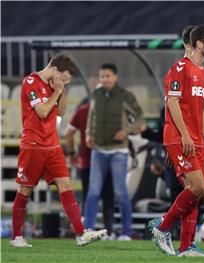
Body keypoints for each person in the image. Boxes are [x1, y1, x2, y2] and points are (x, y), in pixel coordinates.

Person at [10, 53, 106, 248]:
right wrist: (57, 90)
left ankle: (80, 234)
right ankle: (17, 237)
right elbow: (43, 112)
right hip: (33, 146)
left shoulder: (56, 84)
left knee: (66, 186)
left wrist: (64, 90)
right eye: (63, 77)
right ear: (54, 69)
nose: (63, 80)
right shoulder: (31, 82)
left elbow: (60, 112)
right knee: (25, 190)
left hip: (52, 145)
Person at [149, 25, 204, 257]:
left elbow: (202, 112)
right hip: (180, 137)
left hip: (199, 139)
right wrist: (184, 134)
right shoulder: (181, 67)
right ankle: (162, 227)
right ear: (199, 44)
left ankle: (186, 247)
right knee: (198, 187)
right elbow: (172, 103)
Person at [84, 63, 145, 240]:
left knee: (121, 192)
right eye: (102, 76)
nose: (104, 79)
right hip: (98, 150)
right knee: (93, 192)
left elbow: (140, 118)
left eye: (108, 76)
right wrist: (88, 133)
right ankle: (88, 231)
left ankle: (126, 233)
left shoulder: (125, 96)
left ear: (115, 77)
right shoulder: (96, 94)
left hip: (119, 151)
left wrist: (126, 131)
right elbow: (91, 116)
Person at [65, 101, 115, 238]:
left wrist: (72, 153)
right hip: (108, 160)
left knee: (89, 197)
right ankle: (109, 233)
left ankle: (86, 230)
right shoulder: (111, 111)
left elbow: (68, 133)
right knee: (108, 198)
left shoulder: (82, 111)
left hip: (87, 162)